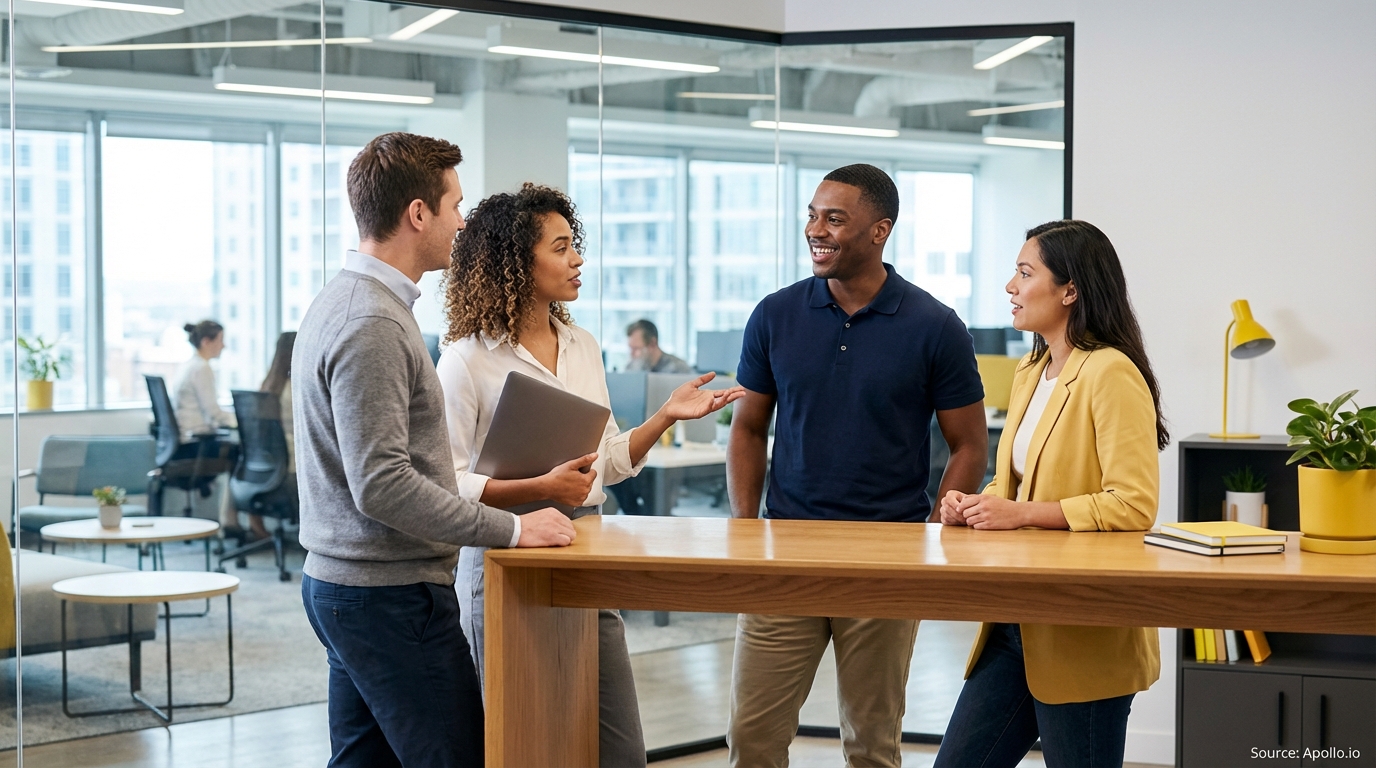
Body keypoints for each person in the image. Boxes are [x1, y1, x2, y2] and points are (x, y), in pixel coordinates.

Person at [294, 133, 577, 768]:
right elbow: (383, 485)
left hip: (353, 585)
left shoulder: (347, 302)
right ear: (417, 214)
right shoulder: (373, 323)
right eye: (455, 205)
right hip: (387, 594)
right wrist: (510, 529)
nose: (462, 222)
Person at [438, 183, 743, 768]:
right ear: (516, 261)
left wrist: (664, 417)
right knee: (520, 743)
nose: (578, 259)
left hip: (583, 545)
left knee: (619, 745)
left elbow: (604, 459)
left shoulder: (582, 345)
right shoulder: (466, 359)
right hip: (504, 560)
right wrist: (539, 490)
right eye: (561, 247)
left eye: (574, 245)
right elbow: (447, 484)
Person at [726, 164, 989, 768]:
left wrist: (932, 535)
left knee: (872, 743)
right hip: (784, 551)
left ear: (879, 231)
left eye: (835, 219)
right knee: (752, 738)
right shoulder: (775, 315)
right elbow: (748, 426)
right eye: (813, 215)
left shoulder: (935, 325)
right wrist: (745, 529)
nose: (816, 230)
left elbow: (969, 443)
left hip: (887, 558)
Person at [933, 220, 1167, 768]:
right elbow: (1016, 481)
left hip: (1082, 625)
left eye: (1024, 273)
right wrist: (975, 503)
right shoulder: (1030, 369)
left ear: (1070, 289)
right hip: (1015, 619)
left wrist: (1017, 514)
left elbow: (1133, 503)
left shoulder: (1110, 371)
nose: (1010, 288)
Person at [235, 330, 296, 541]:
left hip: (265, 468)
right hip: (291, 467)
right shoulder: (295, 389)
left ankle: (249, 523)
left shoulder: (267, 388)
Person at [174, 319, 236, 440]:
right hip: (197, 438)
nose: (224, 346)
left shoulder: (189, 365)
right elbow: (214, 414)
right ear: (206, 342)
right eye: (220, 340)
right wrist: (240, 419)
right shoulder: (201, 369)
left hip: (186, 434)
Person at [624, 319, 692, 373]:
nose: (631, 354)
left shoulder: (678, 369)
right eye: (630, 348)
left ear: (652, 343)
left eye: (636, 348)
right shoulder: (631, 368)